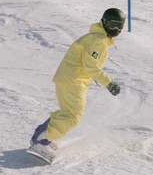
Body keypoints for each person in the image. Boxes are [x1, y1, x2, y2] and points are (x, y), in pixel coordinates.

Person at [28, 9, 125, 162]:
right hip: (73, 80)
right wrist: (109, 83)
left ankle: (43, 136)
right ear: (105, 22)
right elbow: (90, 66)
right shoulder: (99, 40)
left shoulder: (95, 37)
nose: (116, 30)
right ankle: (41, 140)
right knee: (73, 115)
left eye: (120, 27)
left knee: (67, 112)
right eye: (113, 25)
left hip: (68, 78)